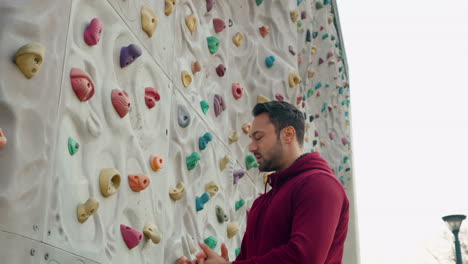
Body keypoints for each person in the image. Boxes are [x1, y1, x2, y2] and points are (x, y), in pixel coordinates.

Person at [178, 101, 349, 264]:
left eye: (258, 138)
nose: (251, 148)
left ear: (288, 135)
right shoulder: (262, 202)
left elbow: (304, 259)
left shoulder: (320, 185)